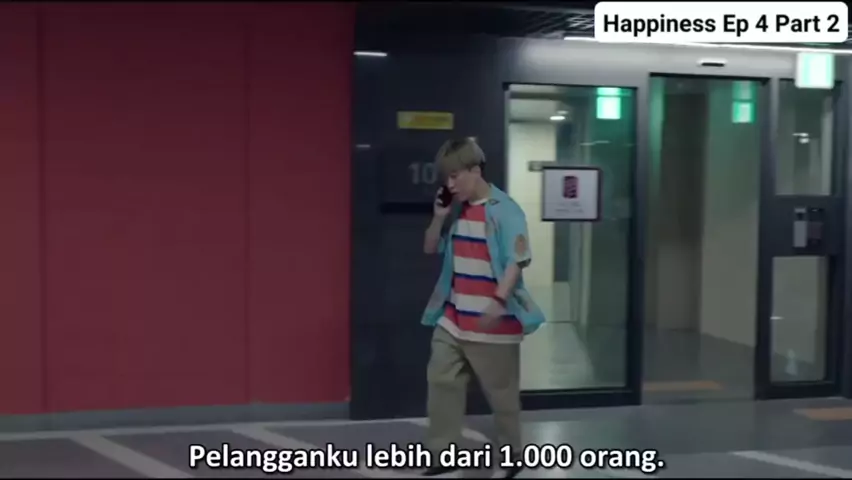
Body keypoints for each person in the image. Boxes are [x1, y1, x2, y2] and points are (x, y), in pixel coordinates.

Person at [419, 137, 545, 479]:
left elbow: (517, 261)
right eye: (446, 177)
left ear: (475, 171)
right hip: (453, 317)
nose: (450, 184)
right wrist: (439, 217)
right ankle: (442, 452)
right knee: (441, 380)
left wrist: (498, 301)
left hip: (493, 323)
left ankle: (512, 454)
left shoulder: (506, 210)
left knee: (501, 396)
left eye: (455, 175)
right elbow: (430, 248)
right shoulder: (458, 211)